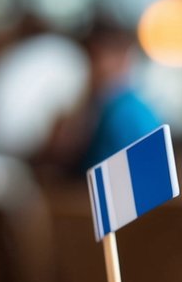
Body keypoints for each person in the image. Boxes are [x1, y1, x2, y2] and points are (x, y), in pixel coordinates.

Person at [33, 21, 162, 182]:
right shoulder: (103, 106)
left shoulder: (127, 112)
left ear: (122, 58)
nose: (92, 68)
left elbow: (150, 180)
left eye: (97, 58)